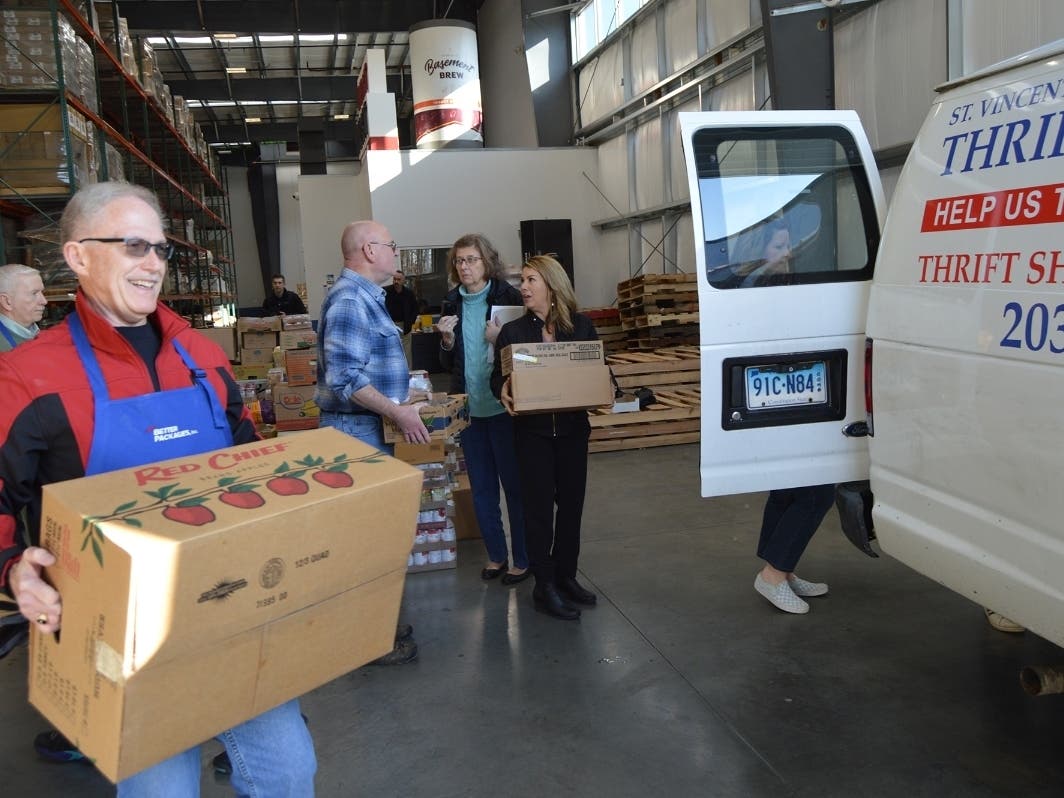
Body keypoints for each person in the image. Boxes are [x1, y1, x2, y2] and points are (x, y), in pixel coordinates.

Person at [0, 181, 316, 795]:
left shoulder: (201, 356)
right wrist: (13, 566)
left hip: (234, 608)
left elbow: (250, 459)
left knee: (288, 771)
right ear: (78, 255)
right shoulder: (29, 374)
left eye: (162, 250)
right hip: (124, 636)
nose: (153, 264)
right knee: (161, 789)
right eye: (134, 246)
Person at [315, 220, 430, 664]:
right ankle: (368, 639)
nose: (396, 252)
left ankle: (377, 626)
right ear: (368, 249)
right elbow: (344, 377)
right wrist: (397, 410)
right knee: (365, 541)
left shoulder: (367, 299)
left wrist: (404, 398)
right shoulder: (349, 301)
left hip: (367, 431)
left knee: (377, 536)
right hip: (356, 435)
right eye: (391, 245)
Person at [490, 255, 598, 621]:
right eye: (523, 280)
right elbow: (496, 378)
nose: (523, 287)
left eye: (531, 280)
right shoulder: (513, 334)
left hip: (571, 433)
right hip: (532, 436)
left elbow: (596, 372)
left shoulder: (581, 329)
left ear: (552, 285)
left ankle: (566, 576)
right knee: (537, 513)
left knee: (571, 509)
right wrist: (502, 388)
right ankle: (544, 586)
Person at [437, 234, 528, 585]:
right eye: (459, 261)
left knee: (515, 488)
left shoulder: (509, 298)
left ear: (486, 262)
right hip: (469, 413)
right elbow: (445, 361)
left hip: (505, 408)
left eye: (472, 259)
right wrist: (445, 341)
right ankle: (496, 556)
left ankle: (522, 558)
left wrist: (499, 339)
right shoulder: (450, 303)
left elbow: (528, 354)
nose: (465, 267)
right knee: (482, 490)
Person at [0, 263, 48, 352]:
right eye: (34, 293)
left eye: (42, 292)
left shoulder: (36, 332)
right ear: (6, 301)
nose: (44, 301)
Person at [384, 269, 419, 336]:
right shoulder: (386, 292)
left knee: (406, 346)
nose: (396, 281)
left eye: (399, 279)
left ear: (404, 281)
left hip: (405, 325)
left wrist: (410, 322)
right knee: (392, 346)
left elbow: (415, 309)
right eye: (394, 279)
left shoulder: (409, 293)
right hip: (390, 325)